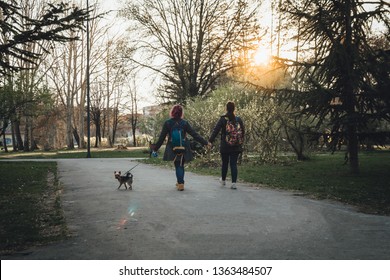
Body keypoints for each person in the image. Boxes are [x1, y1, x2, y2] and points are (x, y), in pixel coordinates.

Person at [152, 104, 209, 191]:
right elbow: (194, 134)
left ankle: (180, 182)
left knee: (177, 164)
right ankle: (180, 183)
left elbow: (161, 138)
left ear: (172, 112)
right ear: (181, 113)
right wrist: (205, 143)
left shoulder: (167, 123)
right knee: (181, 164)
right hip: (184, 146)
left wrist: (155, 149)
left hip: (172, 147)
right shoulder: (184, 123)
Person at [208, 101, 245, 189]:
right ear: (234, 109)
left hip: (225, 145)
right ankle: (234, 183)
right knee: (233, 163)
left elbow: (215, 130)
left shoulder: (223, 119)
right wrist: (240, 141)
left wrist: (210, 141)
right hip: (236, 145)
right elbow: (243, 131)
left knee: (225, 163)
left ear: (226, 108)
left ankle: (223, 180)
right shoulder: (238, 119)